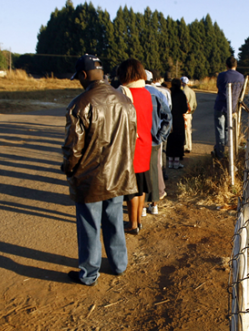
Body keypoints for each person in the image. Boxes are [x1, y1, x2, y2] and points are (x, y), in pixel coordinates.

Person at [61, 54, 137, 286]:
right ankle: (119, 265)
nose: (79, 82)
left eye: (79, 78)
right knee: (114, 221)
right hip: (118, 175)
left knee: (89, 227)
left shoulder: (80, 104)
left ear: (84, 75)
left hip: (89, 178)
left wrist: (69, 170)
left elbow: (73, 149)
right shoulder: (125, 101)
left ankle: (89, 274)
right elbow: (131, 138)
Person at [116, 59, 153, 234]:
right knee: (141, 187)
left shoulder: (124, 94)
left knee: (131, 189)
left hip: (131, 148)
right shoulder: (146, 93)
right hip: (145, 145)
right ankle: (138, 221)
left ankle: (132, 224)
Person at [143, 70, 172, 216]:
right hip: (155, 139)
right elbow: (168, 116)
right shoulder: (159, 93)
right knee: (155, 170)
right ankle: (154, 204)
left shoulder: (133, 93)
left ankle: (141, 206)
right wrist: (161, 136)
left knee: (140, 173)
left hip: (139, 140)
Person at [213, 56, 244, 159]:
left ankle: (220, 153)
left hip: (220, 105)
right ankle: (228, 151)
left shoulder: (222, 75)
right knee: (228, 129)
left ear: (226, 65)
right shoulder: (241, 77)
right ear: (236, 65)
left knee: (219, 129)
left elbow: (218, 86)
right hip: (233, 107)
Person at [166, 78, 189, 169]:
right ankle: (176, 162)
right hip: (178, 120)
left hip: (169, 119)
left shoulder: (169, 93)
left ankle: (170, 162)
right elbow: (184, 109)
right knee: (178, 140)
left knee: (170, 140)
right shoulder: (181, 94)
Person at [181, 76, 197, 153]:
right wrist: (191, 112)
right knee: (188, 130)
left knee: (184, 130)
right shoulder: (192, 92)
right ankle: (189, 146)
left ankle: (185, 145)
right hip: (189, 113)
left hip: (183, 113)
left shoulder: (183, 92)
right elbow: (195, 105)